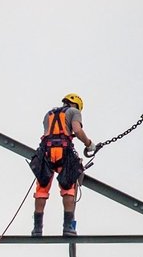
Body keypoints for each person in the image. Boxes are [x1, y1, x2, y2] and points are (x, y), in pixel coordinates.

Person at [31, 92, 96, 237]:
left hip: (46, 152)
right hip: (63, 151)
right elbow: (77, 130)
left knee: (42, 188)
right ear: (77, 105)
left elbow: (49, 133)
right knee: (68, 188)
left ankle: (37, 229)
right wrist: (89, 143)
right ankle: (68, 227)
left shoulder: (48, 114)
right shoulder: (74, 112)